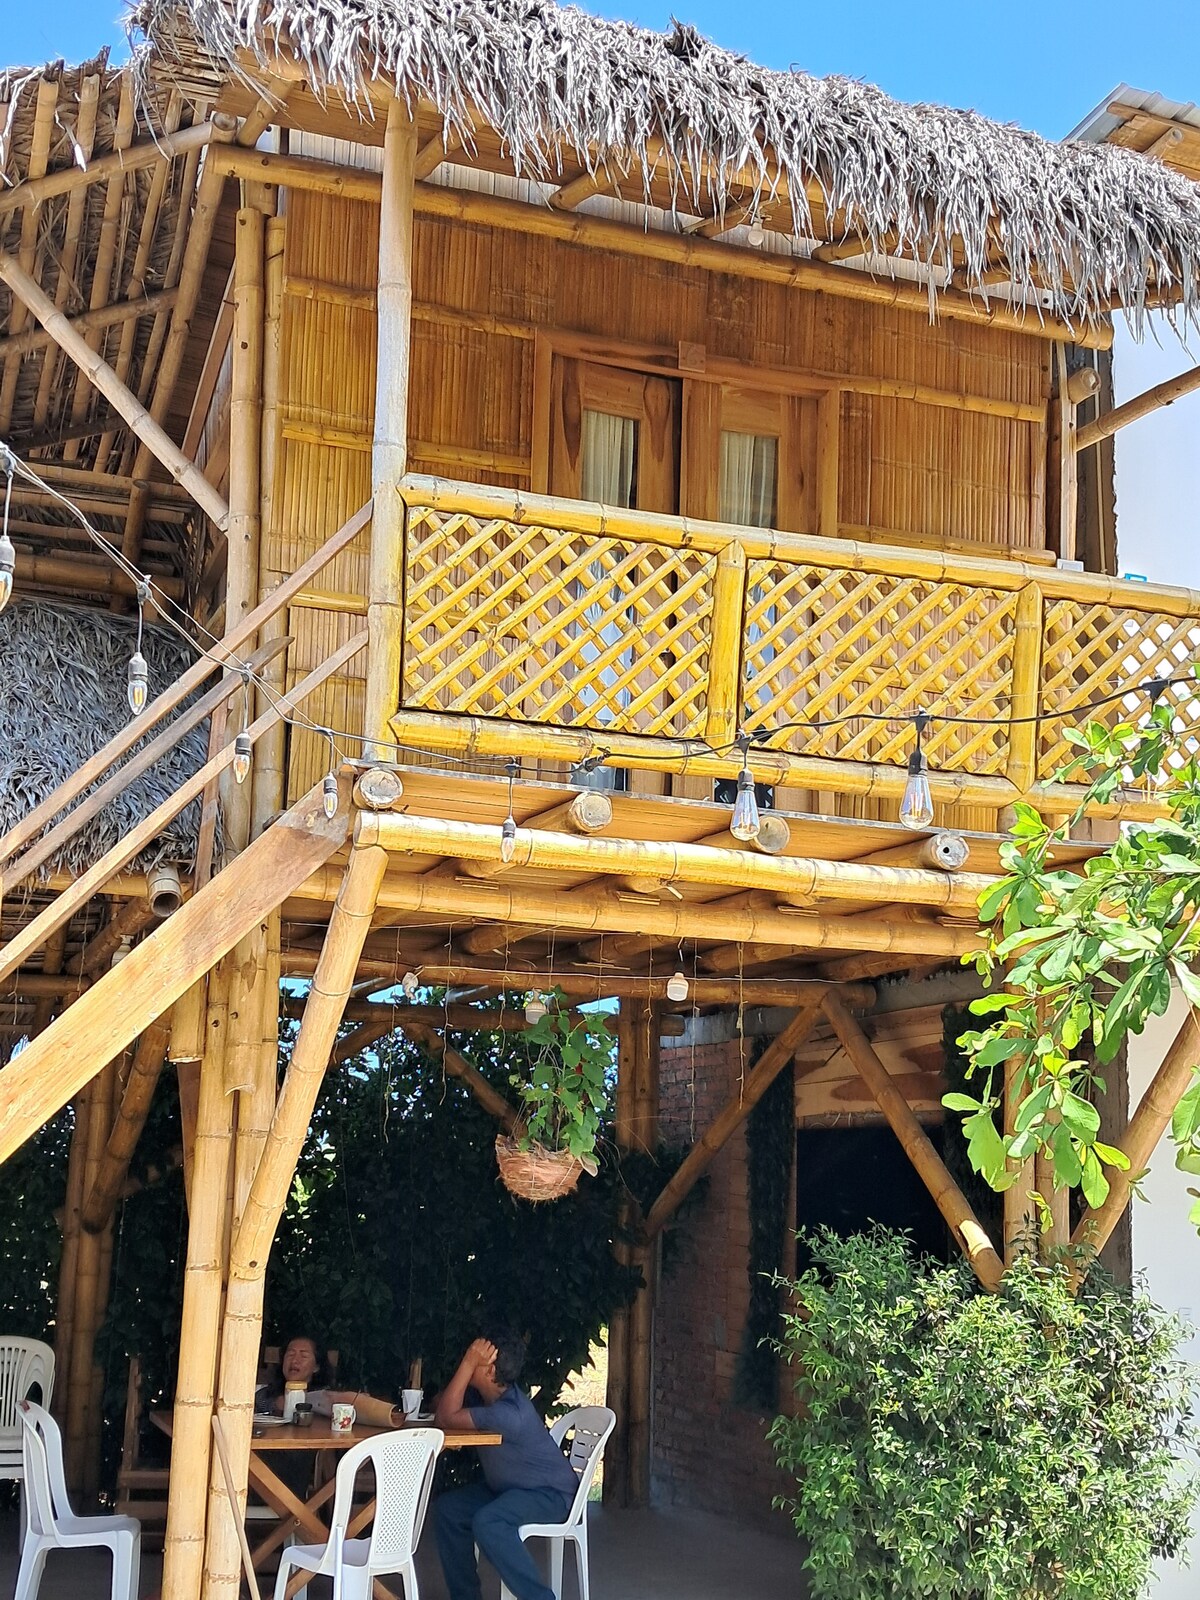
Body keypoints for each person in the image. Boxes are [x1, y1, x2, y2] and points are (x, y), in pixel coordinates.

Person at [433, 1332, 578, 1600]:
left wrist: (466, 1364)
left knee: (489, 1522)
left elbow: (444, 1418)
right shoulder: (487, 1399)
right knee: (449, 1509)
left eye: (475, 1360)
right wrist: (466, 1372)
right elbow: (443, 1406)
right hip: (509, 1488)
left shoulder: (509, 1414)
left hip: (549, 1495)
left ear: (489, 1371)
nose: (467, 1361)